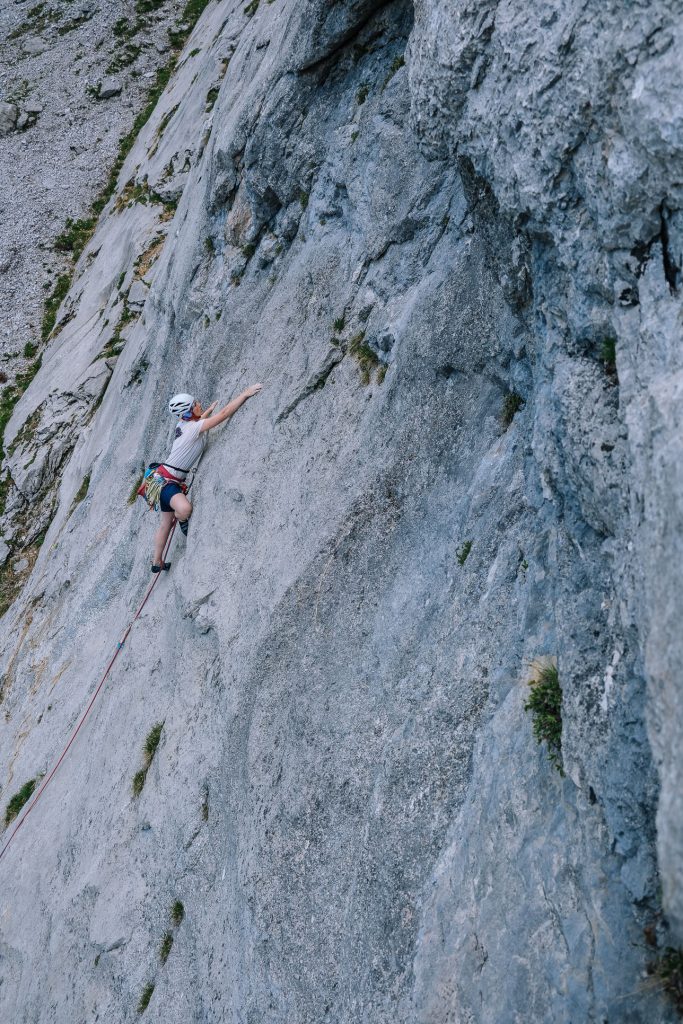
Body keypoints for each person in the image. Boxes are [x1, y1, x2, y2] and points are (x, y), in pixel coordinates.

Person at [151, 385, 262, 572]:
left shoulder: (183, 425)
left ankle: (156, 562)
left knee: (164, 524)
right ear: (188, 412)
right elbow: (224, 414)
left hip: (161, 479)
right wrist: (244, 394)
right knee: (184, 510)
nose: (199, 404)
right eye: (195, 404)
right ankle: (181, 519)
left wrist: (206, 412)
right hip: (168, 483)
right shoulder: (192, 429)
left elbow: (198, 422)